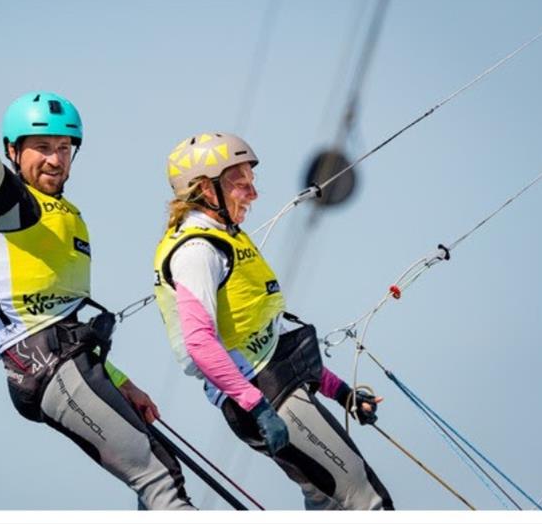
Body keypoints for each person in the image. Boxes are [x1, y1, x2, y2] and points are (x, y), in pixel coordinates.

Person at [0, 3, 194, 510]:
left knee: (164, 469)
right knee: (159, 479)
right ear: (14, 151)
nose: (54, 158)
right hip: (47, 366)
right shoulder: (5, 201)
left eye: (64, 148)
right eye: (41, 147)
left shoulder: (60, 212)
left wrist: (124, 383)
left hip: (70, 361)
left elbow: (65, 320)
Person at [153, 132, 394, 510]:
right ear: (206, 189)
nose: (253, 193)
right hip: (264, 396)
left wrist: (341, 392)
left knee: (326, 500)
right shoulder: (198, 250)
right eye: (240, 183)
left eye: (252, 182)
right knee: (367, 502)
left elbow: (271, 338)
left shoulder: (229, 238)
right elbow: (199, 344)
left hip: (272, 387)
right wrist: (258, 407)